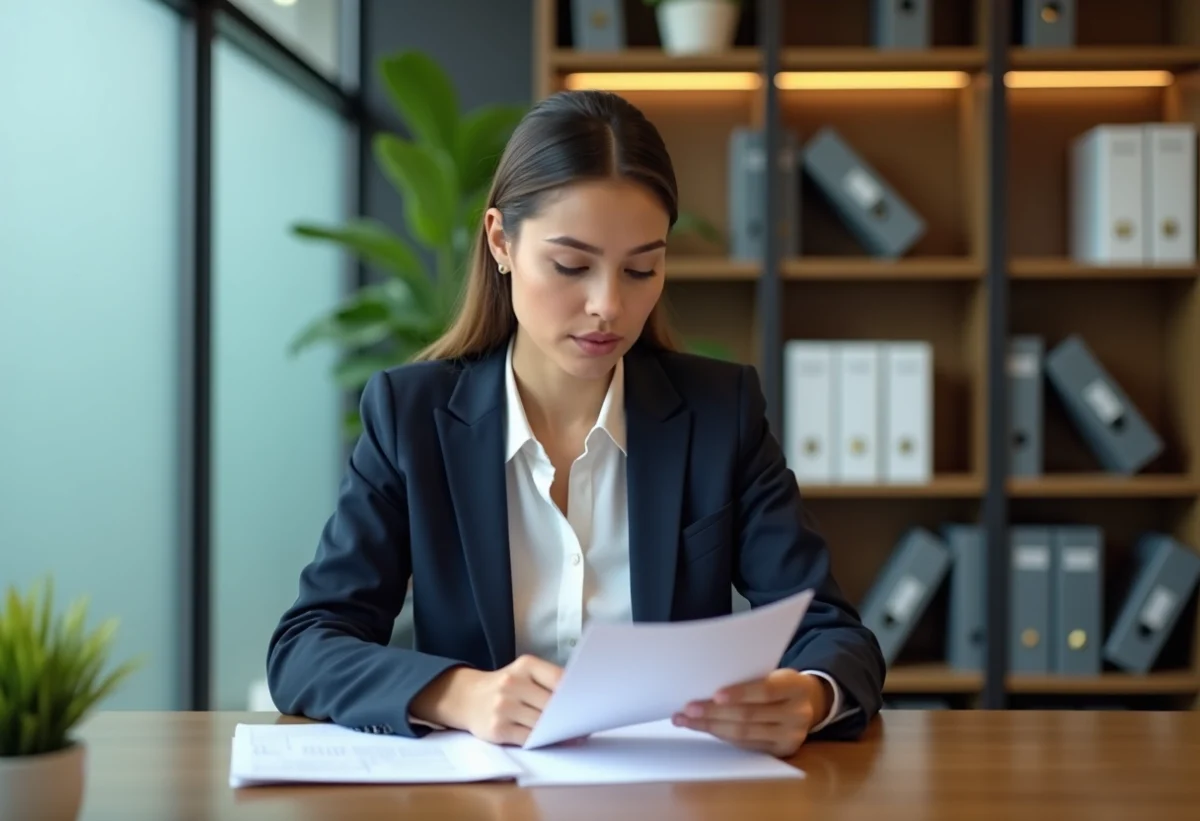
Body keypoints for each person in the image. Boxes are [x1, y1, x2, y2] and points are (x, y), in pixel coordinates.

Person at [266, 88, 886, 759]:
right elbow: (307, 644)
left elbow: (834, 633)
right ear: (501, 241)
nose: (608, 305)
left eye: (641, 268)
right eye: (571, 265)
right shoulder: (410, 417)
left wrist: (809, 694)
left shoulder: (718, 415)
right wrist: (460, 693)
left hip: (672, 795)